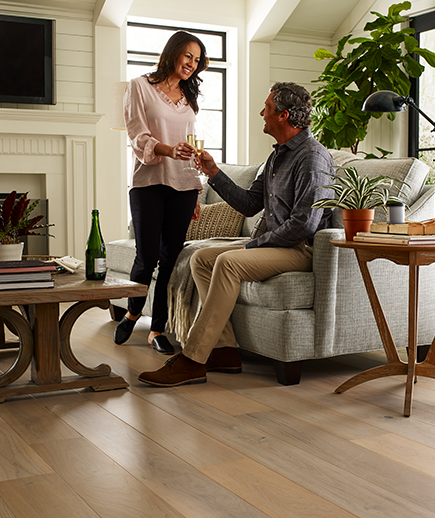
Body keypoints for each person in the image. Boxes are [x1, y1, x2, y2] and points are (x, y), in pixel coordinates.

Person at [138, 81, 335, 386]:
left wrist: (255, 245)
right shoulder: (277, 156)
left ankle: (192, 358)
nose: (262, 113)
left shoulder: (313, 157)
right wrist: (213, 172)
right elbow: (249, 203)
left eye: (267, 108)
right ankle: (225, 350)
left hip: (300, 249)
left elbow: (305, 224)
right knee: (201, 259)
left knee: (228, 262)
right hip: (276, 245)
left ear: (283, 116)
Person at [113, 31, 208, 355]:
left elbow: (193, 147)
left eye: (197, 60)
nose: (192, 65)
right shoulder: (140, 86)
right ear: (173, 53)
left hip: (183, 185)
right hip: (148, 184)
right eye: (188, 57)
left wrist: (196, 189)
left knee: (170, 259)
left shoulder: (188, 97)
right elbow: (138, 136)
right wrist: (167, 149)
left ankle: (157, 330)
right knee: (147, 255)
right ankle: (133, 311)